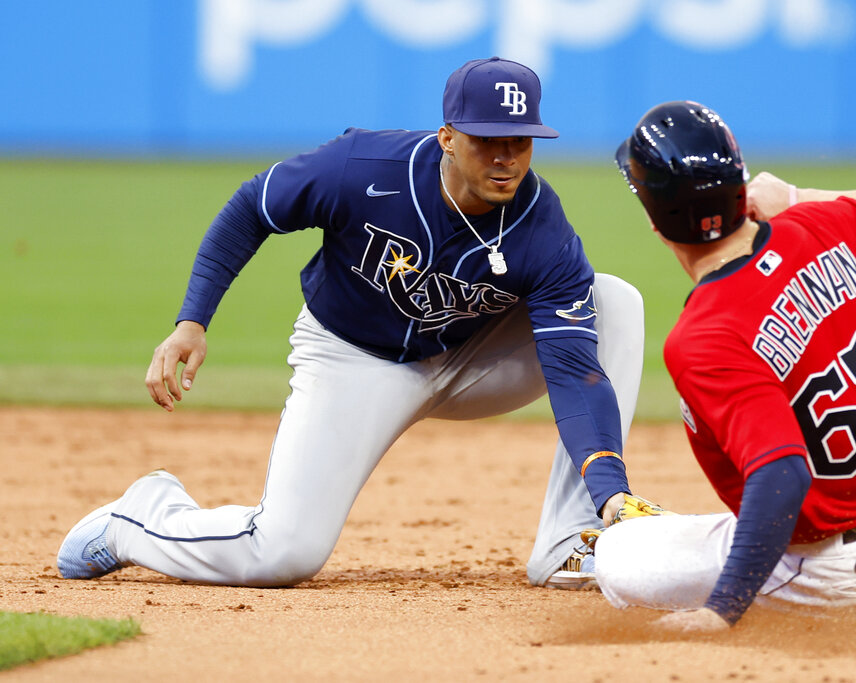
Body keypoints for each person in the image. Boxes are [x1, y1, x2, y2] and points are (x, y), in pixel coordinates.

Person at [56, 57, 668, 590]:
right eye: (488, 140)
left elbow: (575, 371)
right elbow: (251, 209)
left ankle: (572, 540)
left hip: (472, 360)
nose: (506, 157)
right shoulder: (363, 167)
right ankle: (140, 518)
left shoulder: (544, 229)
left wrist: (610, 490)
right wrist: (192, 320)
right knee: (283, 552)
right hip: (352, 359)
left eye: (521, 140)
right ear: (447, 137)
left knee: (613, 302)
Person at [589, 100, 856, 632]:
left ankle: (823, 612)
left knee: (618, 554)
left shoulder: (704, 335)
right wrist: (796, 198)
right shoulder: (820, 225)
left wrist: (722, 611)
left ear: (655, 221)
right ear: (741, 186)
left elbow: (782, 473)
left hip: (844, 571)